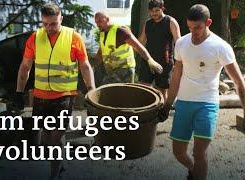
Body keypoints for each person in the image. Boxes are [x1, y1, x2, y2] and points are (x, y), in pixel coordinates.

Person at [158, 4, 245, 180]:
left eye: (197, 27)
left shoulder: (221, 47)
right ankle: (193, 171)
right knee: (178, 152)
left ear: (208, 23)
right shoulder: (182, 43)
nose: (193, 32)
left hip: (207, 104)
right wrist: (168, 104)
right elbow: (176, 76)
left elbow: (238, 82)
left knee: (199, 153)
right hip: (183, 102)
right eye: (189, 27)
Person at [14, 3, 96, 179]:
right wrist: (19, 92)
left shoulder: (73, 37)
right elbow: (25, 67)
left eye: (53, 24)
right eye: (45, 24)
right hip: (40, 97)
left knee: (56, 137)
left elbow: (85, 66)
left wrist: (91, 90)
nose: (49, 28)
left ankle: (54, 173)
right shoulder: (35, 38)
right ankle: (60, 164)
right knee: (45, 137)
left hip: (64, 96)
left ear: (61, 19)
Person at [94, 11, 163, 85]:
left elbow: (138, 47)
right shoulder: (102, 34)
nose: (98, 24)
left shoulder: (121, 31)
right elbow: (101, 52)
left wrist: (150, 60)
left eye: (100, 21)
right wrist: (92, 66)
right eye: (96, 22)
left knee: (106, 87)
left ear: (107, 19)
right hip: (113, 71)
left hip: (125, 69)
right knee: (118, 94)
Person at [139, 0, 181, 101]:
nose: (154, 13)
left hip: (165, 61)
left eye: (157, 10)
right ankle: (146, 112)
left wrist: (178, 62)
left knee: (162, 90)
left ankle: (162, 114)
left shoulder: (171, 22)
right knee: (143, 87)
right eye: (152, 11)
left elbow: (179, 43)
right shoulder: (148, 23)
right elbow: (140, 41)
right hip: (148, 60)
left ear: (162, 9)